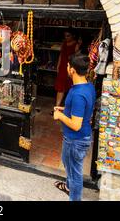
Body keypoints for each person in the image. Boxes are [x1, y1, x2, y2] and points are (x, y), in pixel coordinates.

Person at [52, 53, 96, 201]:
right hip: (76, 138)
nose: (66, 67)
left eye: (67, 66)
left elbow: (76, 125)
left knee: (74, 173)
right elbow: (83, 109)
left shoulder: (78, 94)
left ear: (72, 70)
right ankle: (68, 187)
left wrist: (60, 116)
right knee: (67, 163)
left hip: (76, 139)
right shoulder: (88, 86)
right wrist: (65, 109)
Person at [54, 28, 80, 111]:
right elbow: (61, 55)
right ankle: (57, 107)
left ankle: (67, 108)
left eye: (68, 36)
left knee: (70, 87)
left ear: (73, 36)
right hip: (62, 67)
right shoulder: (64, 43)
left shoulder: (76, 45)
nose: (66, 37)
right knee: (60, 87)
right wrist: (58, 65)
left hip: (70, 68)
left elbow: (76, 59)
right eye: (65, 36)